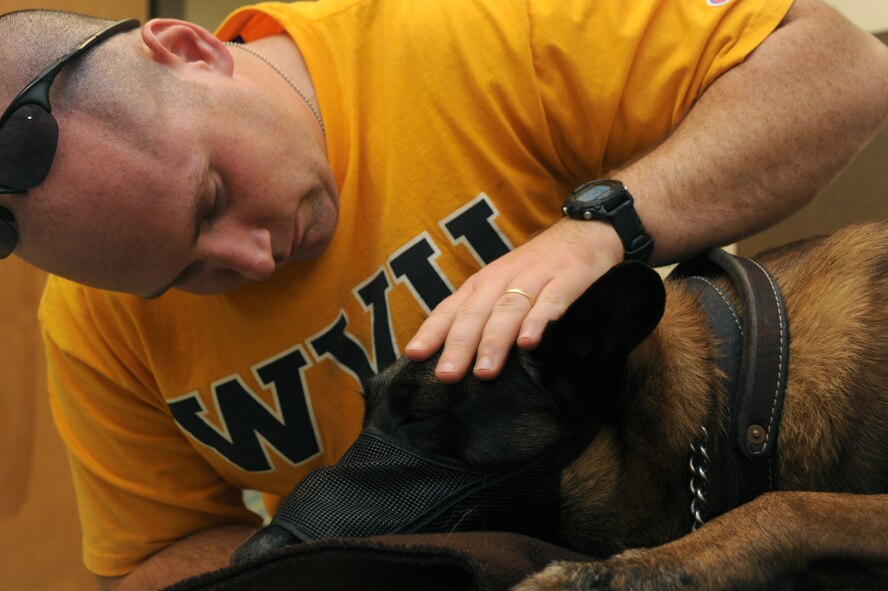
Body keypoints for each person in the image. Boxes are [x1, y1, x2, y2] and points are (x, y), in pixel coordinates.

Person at [0, 0, 886, 588]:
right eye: (184, 275)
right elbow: (151, 558)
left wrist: (600, 227)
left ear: (193, 51)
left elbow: (841, 68)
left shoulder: (460, 36)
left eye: (213, 197)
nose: (254, 259)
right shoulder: (92, 323)